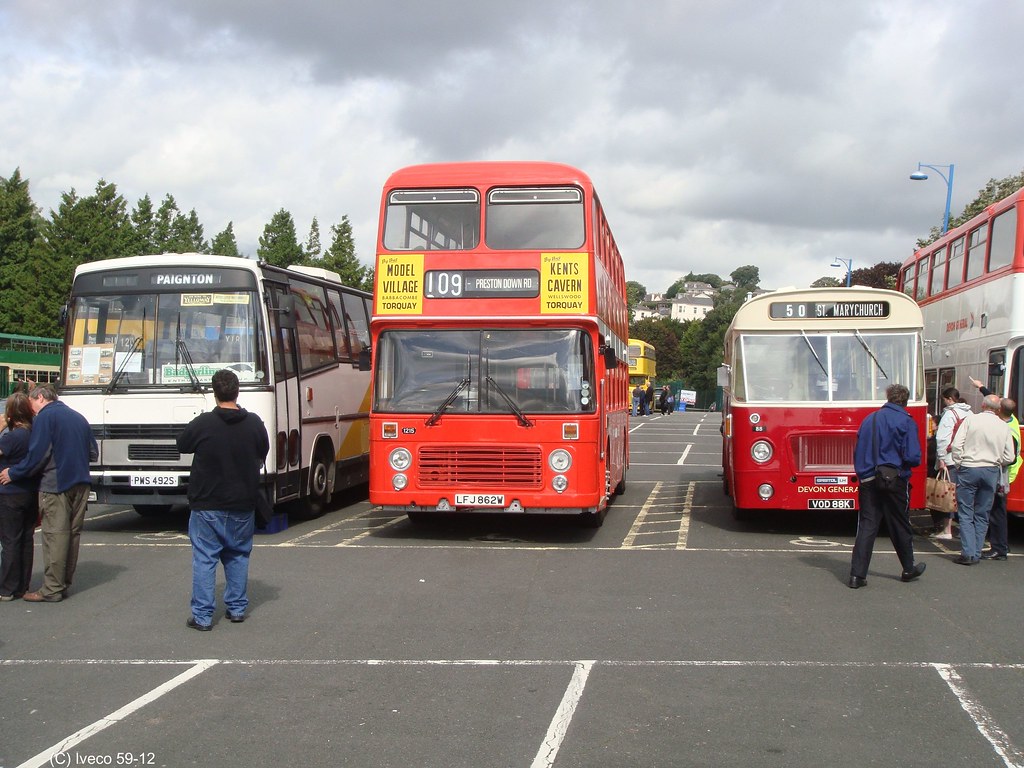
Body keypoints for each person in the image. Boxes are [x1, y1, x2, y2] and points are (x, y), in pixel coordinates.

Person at [177, 369, 269, 630]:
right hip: (243, 502)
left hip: (207, 502)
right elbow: (263, 451)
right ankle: (237, 608)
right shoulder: (254, 423)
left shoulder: (204, 423)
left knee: (205, 558)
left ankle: (203, 616)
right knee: (238, 555)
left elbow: (182, 444)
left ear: (214, 392)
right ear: (237, 391)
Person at [0, 384, 97, 602]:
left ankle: (51, 588)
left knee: (54, 536)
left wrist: (14, 473)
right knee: (72, 536)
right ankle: (63, 584)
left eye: (32, 403)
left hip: (56, 484)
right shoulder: (78, 417)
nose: (31, 409)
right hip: (81, 482)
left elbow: (37, 456)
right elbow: (93, 452)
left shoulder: (45, 417)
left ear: (41, 398)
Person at [848, 383, 925, 589]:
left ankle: (857, 575)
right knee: (899, 523)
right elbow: (913, 456)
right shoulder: (906, 421)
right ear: (905, 400)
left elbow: (858, 450)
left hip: (868, 478)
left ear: (888, 397)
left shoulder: (869, 419)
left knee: (867, 526)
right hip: (894, 478)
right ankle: (908, 568)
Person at [949, 393, 1016, 565]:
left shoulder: (971, 420)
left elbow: (957, 445)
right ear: (998, 409)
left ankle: (968, 553)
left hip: (969, 468)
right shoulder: (1003, 426)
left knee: (965, 512)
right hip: (991, 470)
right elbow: (1009, 456)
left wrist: (959, 463)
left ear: (983, 406)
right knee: (982, 513)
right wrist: (996, 461)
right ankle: (976, 552)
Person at [0, 393, 39, 601]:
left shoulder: (11, 438)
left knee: (10, 541)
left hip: (9, 493)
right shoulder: (34, 434)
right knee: (26, 539)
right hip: (30, 492)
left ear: (10, 414)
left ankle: (7, 588)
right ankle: (23, 585)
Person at [932, 387, 971, 539]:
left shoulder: (949, 414)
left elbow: (942, 438)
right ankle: (965, 529)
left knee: (949, 494)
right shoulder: (970, 413)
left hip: (950, 458)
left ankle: (947, 529)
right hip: (967, 458)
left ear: (949, 399)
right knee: (965, 495)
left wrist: (941, 458)